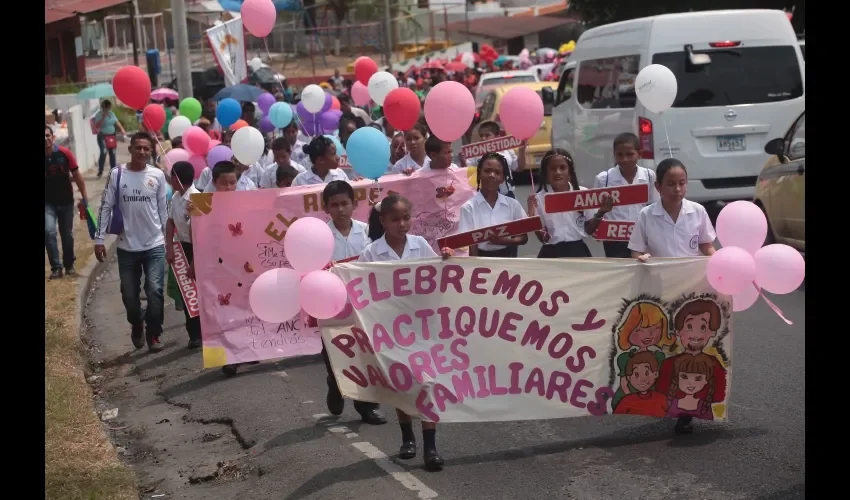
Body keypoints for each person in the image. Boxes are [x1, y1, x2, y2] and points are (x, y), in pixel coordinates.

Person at [360, 193, 452, 471]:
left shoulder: (420, 245)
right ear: (383, 221)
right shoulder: (371, 253)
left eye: (406, 218)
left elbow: (436, 275)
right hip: (391, 329)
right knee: (402, 383)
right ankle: (407, 438)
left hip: (422, 326)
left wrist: (445, 259)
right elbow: (361, 285)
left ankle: (431, 446)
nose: (402, 224)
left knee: (428, 382)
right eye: (395, 219)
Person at [627, 158, 718, 433]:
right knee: (666, 346)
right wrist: (641, 257)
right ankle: (665, 397)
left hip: (693, 291)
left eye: (681, 183)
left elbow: (707, 246)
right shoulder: (647, 215)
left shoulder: (698, 211)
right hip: (661, 291)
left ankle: (687, 409)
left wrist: (719, 263)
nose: (677, 189)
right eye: (670, 184)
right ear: (658, 187)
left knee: (691, 346)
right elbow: (636, 249)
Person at [320, 181, 387, 425]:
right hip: (331, 304)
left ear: (354, 204)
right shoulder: (320, 236)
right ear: (326, 208)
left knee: (365, 353)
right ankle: (335, 383)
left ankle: (367, 406)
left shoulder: (368, 231)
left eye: (345, 203)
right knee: (334, 350)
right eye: (334, 205)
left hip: (364, 303)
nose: (340, 209)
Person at [94, 132, 168, 352]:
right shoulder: (117, 174)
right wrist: (99, 239)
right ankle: (137, 322)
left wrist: (170, 241)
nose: (142, 152)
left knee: (155, 290)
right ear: (130, 149)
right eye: (138, 148)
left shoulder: (157, 175)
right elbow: (106, 206)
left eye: (146, 148)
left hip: (154, 244)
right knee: (129, 295)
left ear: (151, 151)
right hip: (127, 247)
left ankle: (154, 333)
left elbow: (163, 211)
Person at [584, 133, 659, 257]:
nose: (624, 159)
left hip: (642, 237)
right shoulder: (604, 179)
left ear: (640, 154)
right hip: (614, 240)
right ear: (614, 154)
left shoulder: (649, 176)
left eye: (629, 154)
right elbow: (595, 212)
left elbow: (654, 207)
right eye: (620, 155)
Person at [458, 152, 528, 257]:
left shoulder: (513, 205)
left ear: (503, 179)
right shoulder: (468, 208)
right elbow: (470, 244)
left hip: (508, 258)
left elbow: (523, 237)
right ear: (479, 173)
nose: (492, 175)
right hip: (480, 260)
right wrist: (477, 265)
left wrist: (505, 241)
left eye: (497, 172)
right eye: (487, 171)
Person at [164, 161, 202, 349]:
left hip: (199, 249)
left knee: (201, 294)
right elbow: (170, 222)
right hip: (182, 247)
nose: (169, 180)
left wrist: (194, 262)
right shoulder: (175, 197)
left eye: (171, 176)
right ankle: (193, 334)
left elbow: (200, 233)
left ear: (177, 178)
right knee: (188, 294)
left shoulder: (197, 199)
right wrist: (170, 248)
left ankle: (204, 332)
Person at [527, 149, 592, 258]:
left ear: (570, 171)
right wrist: (531, 215)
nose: (558, 172)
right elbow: (544, 238)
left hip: (578, 251)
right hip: (551, 253)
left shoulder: (583, 193)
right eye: (553, 168)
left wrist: (601, 212)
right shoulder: (538, 199)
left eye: (562, 168)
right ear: (546, 173)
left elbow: (590, 230)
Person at [45, 125, 89, 279]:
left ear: (53, 137)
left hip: (66, 202)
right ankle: (56, 268)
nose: (45, 139)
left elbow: (76, 175)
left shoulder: (65, 153)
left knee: (67, 235)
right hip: (47, 203)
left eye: (47, 135)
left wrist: (84, 196)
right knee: (48, 231)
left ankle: (69, 264)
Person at [463, 121, 526, 198]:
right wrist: (463, 160)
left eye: (487, 135)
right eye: (481, 135)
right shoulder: (475, 153)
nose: (483, 138)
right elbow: (466, 172)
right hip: (485, 196)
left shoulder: (507, 150)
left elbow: (519, 167)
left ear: (497, 137)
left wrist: (522, 151)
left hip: (507, 194)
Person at [93, 100, 126, 178]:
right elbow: (97, 125)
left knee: (112, 153)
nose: (109, 108)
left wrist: (122, 129)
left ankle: (113, 171)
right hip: (102, 136)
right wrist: (103, 117)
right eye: (108, 107)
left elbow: (117, 122)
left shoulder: (112, 114)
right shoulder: (99, 114)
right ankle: (100, 170)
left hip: (112, 136)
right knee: (103, 152)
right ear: (104, 107)